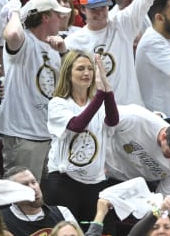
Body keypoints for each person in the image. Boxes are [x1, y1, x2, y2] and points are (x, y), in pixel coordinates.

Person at [65, 0, 168, 107]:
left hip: (131, 108)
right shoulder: (72, 42)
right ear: (82, 10)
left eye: (103, 7)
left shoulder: (122, 24)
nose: (99, 13)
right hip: (96, 114)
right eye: (93, 9)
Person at [0, 0, 71, 181]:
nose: (62, 18)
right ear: (45, 17)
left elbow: (72, 83)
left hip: (50, 136)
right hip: (23, 135)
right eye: (57, 13)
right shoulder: (25, 41)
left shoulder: (55, 45)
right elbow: (13, 33)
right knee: (22, 197)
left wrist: (64, 52)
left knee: (45, 200)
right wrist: (15, 12)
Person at [44, 51, 119, 224]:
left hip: (95, 182)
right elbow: (77, 125)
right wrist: (101, 95)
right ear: (68, 74)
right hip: (64, 181)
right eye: (80, 69)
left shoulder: (97, 102)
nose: (87, 73)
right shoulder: (58, 103)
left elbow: (113, 121)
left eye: (90, 69)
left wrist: (107, 89)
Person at [105, 103, 170, 195]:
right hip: (104, 169)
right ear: (164, 136)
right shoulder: (135, 117)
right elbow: (99, 124)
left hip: (131, 187)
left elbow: (163, 197)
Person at [1, 166, 77, 236]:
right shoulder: (1, 221)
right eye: (25, 185)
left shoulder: (62, 212)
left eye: (34, 182)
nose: (33, 188)